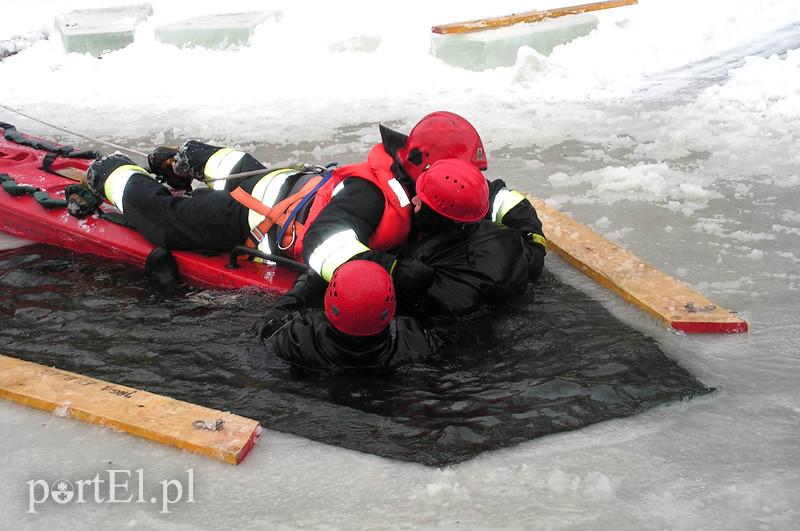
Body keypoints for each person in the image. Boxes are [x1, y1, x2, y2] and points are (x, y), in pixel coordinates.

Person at [84, 111, 545, 290]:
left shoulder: (433, 180)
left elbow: (493, 197)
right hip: (259, 215)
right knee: (169, 221)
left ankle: (191, 157)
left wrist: (528, 230)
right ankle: (111, 172)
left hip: (299, 187)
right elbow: (324, 245)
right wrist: (389, 271)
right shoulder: (371, 196)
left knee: (250, 170)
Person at [398, 159, 532, 317]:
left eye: (420, 201)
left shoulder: (425, 272)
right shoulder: (511, 240)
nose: (413, 201)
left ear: (435, 214)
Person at [264, 260, 439, 371]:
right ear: (391, 310)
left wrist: (308, 280)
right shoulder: (416, 341)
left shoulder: (297, 338)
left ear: (330, 303)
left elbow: (264, 326)